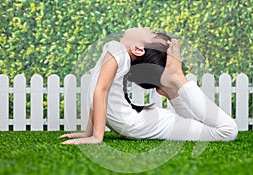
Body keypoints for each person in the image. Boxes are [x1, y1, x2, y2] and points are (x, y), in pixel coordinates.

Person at [59, 27, 238, 144]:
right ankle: (171, 83)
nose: (145, 28)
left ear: (138, 49)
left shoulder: (117, 50)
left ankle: (176, 77)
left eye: (150, 33)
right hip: (139, 124)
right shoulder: (115, 51)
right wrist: (88, 132)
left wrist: (96, 137)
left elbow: (100, 91)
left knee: (227, 131)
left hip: (140, 123)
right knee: (213, 128)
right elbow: (97, 95)